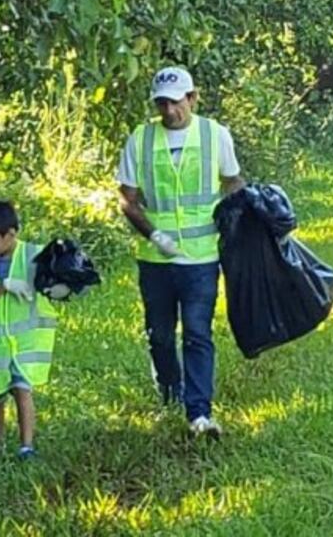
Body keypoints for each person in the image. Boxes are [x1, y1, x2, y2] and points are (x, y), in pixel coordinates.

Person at [116, 66, 245, 439]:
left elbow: (233, 181)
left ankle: (199, 412)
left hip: (202, 257)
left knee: (197, 333)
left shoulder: (214, 135)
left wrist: (238, 221)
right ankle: (170, 391)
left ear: (192, 98)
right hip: (155, 259)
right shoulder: (140, 140)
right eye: (162, 103)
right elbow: (127, 197)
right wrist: (153, 234)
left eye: (175, 102)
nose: (169, 111)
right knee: (159, 334)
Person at [0, 200, 59, 459]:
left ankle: (26, 446)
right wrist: (4, 285)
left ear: (11, 234)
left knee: (22, 390)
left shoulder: (34, 256)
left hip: (25, 343)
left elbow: (56, 282)